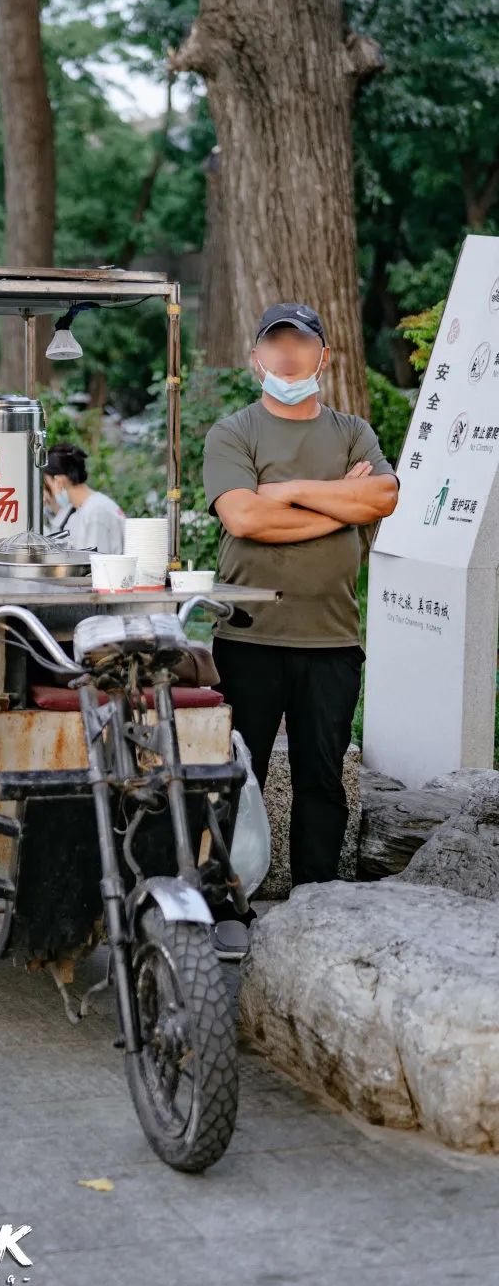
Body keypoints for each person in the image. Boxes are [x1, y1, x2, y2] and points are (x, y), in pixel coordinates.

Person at [203, 301, 399, 901]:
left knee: (323, 779)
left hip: (331, 638)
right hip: (248, 635)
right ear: (256, 357)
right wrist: (338, 501)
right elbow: (242, 515)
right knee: (239, 777)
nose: (289, 354)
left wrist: (286, 492)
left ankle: (318, 905)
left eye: (301, 342)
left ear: (325, 355)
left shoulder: (350, 431)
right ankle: (227, 901)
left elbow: (383, 498)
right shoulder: (234, 431)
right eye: (276, 344)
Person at [43, 441, 126, 553]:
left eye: (46, 484)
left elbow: (95, 563)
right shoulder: (84, 509)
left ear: (58, 481)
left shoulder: (95, 513)